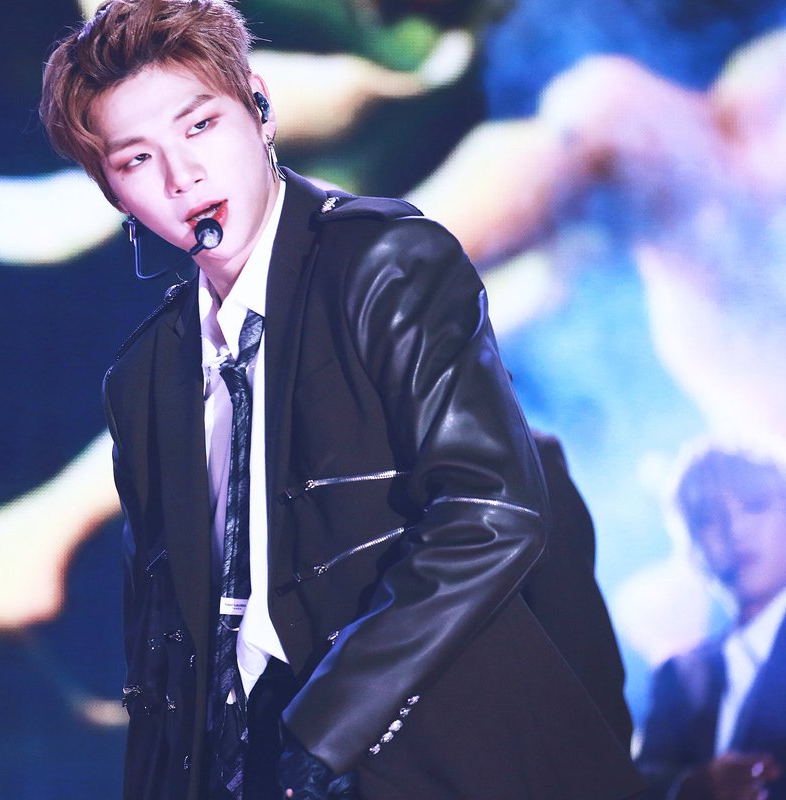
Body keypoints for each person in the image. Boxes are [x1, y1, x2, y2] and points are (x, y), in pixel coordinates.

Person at [39, 1, 644, 798]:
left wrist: (324, 734)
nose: (183, 177)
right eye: (136, 160)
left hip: (427, 755)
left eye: (200, 126)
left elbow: (489, 510)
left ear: (259, 109)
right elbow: (162, 649)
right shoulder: (145, 376)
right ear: (114, 194)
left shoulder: (385, 262)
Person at [636, 445, 786, 800]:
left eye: (755, 505)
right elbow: (640, 783)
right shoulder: (679, 675)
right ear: (691, 545)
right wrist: (692, 786)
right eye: (709, 518)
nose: (736, 529)